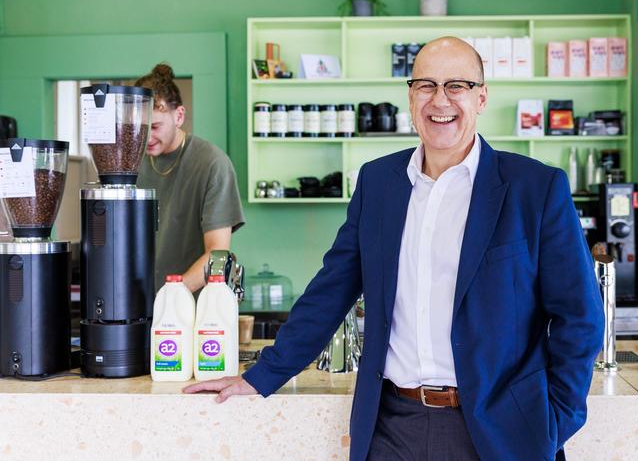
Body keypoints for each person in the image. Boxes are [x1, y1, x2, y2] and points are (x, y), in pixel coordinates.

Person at [184, 38, 604, 461]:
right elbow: (331, 291)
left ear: (481, 97)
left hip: (500, 435)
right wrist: (263, 375)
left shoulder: (535, 188)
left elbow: (579, 317)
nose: (440, 100)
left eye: (457, 85)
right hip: (391, 430)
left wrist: (554, 421)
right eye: (426, 85)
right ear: (410, 95)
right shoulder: (378, 183)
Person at [136, 64, 245, 293]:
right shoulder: (131, 164)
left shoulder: (212, 164)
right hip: (140, 308)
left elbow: (218, 255)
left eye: (155, 127)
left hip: (195, 311)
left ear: (179, 116)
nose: (147, 137)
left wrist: (172, 295)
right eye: (140, 128)